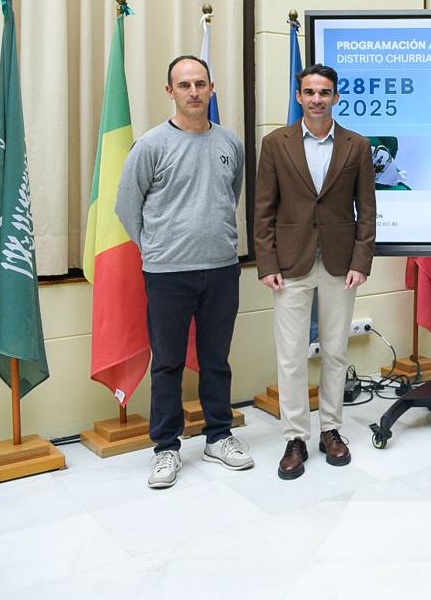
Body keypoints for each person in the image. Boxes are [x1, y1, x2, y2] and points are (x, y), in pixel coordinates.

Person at [116, 55, 250, 489]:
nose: (194, 92)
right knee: (169, 363)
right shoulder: (151, 145)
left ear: (213, 89)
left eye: (201, 84)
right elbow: (126, 207)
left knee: (216, 360)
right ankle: (166, 448)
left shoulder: (231, 142)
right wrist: (158, 249)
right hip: (168, 273)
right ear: (169, 91)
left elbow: (231, 195)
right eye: (184, 85)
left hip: (221, 270)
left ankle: (218, 436)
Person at [255, 63, 377, 480]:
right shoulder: (276, 143)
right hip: (290, 265)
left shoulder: (357, 146)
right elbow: (263, 210)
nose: (316, 99)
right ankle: (294, 437)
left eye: (324, 92)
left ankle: (331, 430)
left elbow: (367, 211)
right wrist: (267, 263)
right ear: (299, 97)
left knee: (335, 351)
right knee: (290, 356)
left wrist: (362, 261)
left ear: (336, 97)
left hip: (341, 265)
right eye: (309, 92)